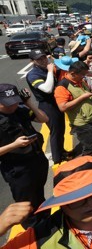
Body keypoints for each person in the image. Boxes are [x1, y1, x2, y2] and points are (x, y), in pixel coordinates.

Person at [0, 84, 49, 228]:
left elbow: (43, 119)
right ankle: (33, 233)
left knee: (40, 197)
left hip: (36, 161)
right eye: (8, 103)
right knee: (27, 206)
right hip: (18, 169)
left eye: (15, 100)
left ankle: (46, 224)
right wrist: (14, 145)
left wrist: (29, 103)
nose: (13, 105)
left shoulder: (20, 109)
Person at [26, 49, 67, 164]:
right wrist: (50, 71)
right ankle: (57, 159)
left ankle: (62, 152)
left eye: (44, 57)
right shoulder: (33, 74)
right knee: (55, 132)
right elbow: (47, 89)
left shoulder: (45, 69)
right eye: (39, 59)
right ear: (33, 61)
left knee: (61, 130)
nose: (43, 60)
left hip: (55, 103)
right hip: (47, 105)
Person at [54, 61, 92, 156]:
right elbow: (62, 107)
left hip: (91, 119)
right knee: (89, 149)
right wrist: (82, 97)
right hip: (82, 123)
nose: (84, 76)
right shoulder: (62, 87)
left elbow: (84, 95)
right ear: (73, 74)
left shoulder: (79, 81)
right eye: (82, 74)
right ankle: (91, 168)